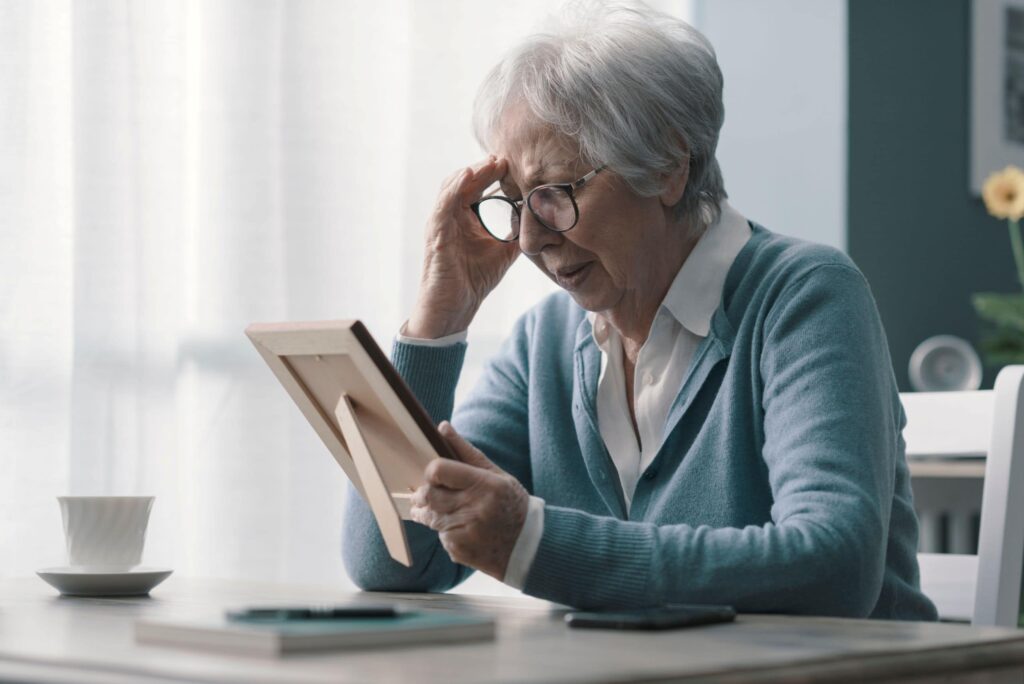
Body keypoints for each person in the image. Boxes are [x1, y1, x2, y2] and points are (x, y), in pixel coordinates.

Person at [342, 0, 938, 619]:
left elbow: (832, 567)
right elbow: (392, 564)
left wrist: (534, 542)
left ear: (667, 168)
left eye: (555, 193)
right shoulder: (543, 342)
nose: (528, 240)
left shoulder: (805, 296)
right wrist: (437, 324)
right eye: (516, 202)